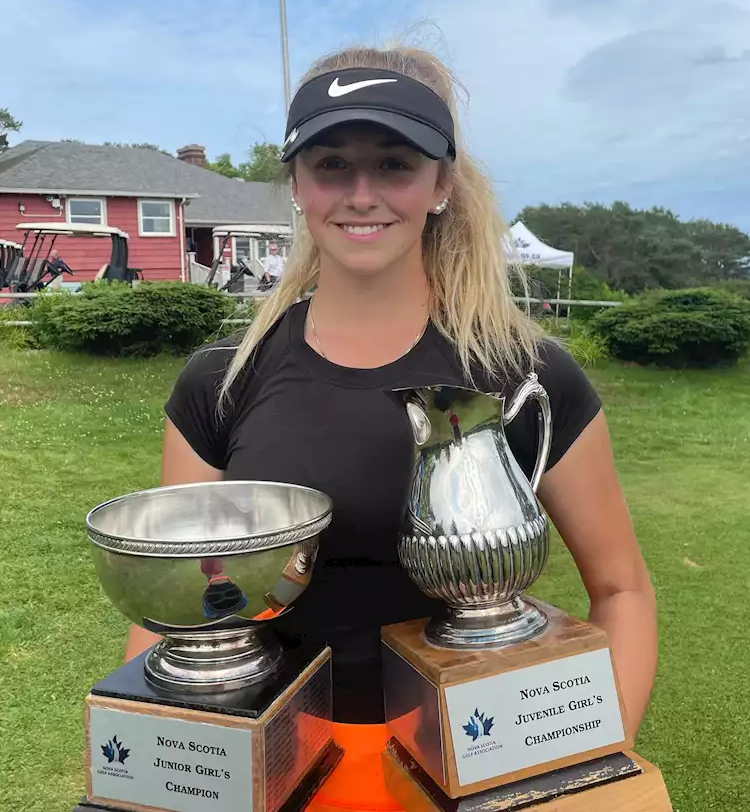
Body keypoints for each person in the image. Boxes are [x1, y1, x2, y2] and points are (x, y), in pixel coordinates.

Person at [124, 45, 658, 811]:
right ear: (299, 186)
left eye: (395, 164)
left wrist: (589, 771)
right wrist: (158, 773)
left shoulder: (524, 374)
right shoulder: (222, 380)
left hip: (475, 776)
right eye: (332, 164)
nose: (362, 194)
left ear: (442, 184)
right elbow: (174, 616)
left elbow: (622, 589)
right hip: (274, 777)